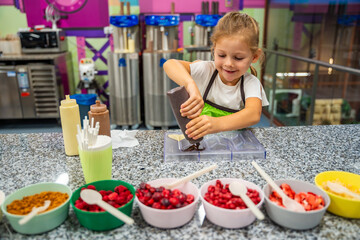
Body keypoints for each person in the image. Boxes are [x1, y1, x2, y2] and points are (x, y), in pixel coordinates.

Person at [163, 11, 269, 141]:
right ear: (214, 50)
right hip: (204, 145)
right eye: (221, 55)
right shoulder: (207, 70)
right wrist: (190, 84)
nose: (228, 64)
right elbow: (170, 64)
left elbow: (253, 114)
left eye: (238, 58)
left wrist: (216, 124)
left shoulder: (250, 83)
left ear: (254, 56)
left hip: (235, 146)